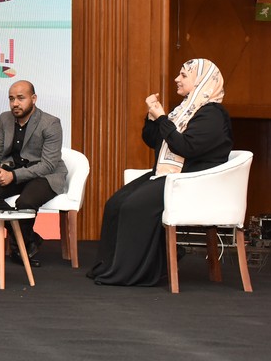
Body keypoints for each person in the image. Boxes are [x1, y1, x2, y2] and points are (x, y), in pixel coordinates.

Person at [89, 59, 231, 287]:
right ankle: (110, 266)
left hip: (193, 182)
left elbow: (186, 147)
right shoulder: (185, 109)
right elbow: (154, 140)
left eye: (184, 75)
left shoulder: (212, 114)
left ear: (201, 80)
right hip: (174, 177)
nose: (177, 79)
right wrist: (153, 118)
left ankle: (134, 271)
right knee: (115, 203)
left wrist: (163, 119)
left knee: (134, 206)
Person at [0, 80, 68, 266]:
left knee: (25, 202)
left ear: (33, 99)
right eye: (11, 99)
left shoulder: (50, 123)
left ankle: (19, 249)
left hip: (44, 175)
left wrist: (13, 176)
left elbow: (48, 164)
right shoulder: (5, 119)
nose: (15, 103)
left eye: (20, 98)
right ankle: (29, 238)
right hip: (15, 170)